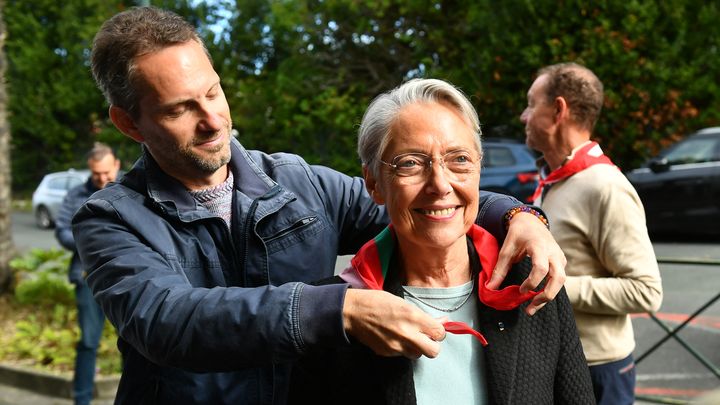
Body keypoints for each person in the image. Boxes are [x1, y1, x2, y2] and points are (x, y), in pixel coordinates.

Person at [73, 6, 566, 404]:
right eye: (181, 108)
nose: (212, 121)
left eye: (213, 92)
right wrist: (338, 308)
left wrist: (518, 215)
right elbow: (169, 320)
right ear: (129, 124)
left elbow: (418, 200)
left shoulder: (299, 183)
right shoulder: (110, 218)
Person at [288, 78, 595, 404]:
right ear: (374, 183)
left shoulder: (532, 282)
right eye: (410, 163)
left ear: (479, 169)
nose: (440, 184)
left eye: (459, 159)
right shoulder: (335, 313)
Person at [520, 62, 663, 405]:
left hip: (599, 369)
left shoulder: (605, 187)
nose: (523, 116)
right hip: (560, 360)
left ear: (558, 109)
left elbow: (646, 292)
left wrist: (557, 284)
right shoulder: (556, 180)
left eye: (530, 103)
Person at [55, 142, 121, 405]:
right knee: (88, 343)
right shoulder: (75, 195)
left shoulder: (132, 189)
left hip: (127, 278)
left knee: (136, 343)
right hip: (87, 278)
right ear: (89, 170)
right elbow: (61, 231)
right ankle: (81, 400)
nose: (103, 180)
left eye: (107, 173)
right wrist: (95, 243)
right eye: (97, 175)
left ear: (116, 164)